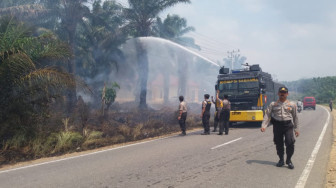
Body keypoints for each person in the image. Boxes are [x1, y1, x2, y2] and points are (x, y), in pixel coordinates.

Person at [260, 86, 299, 169]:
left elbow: (295, 117)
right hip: (277, 126)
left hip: (288, 125)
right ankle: (281, 160)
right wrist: (264, 125)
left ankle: (288, 160)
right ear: (278, 93)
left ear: (287, 94)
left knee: (290, 143)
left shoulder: (291, 105)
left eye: (284, 93)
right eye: (281, 92)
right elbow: (267, 115)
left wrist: (296, 129)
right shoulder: (273, 104)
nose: (282, 94)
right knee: (278, 144)